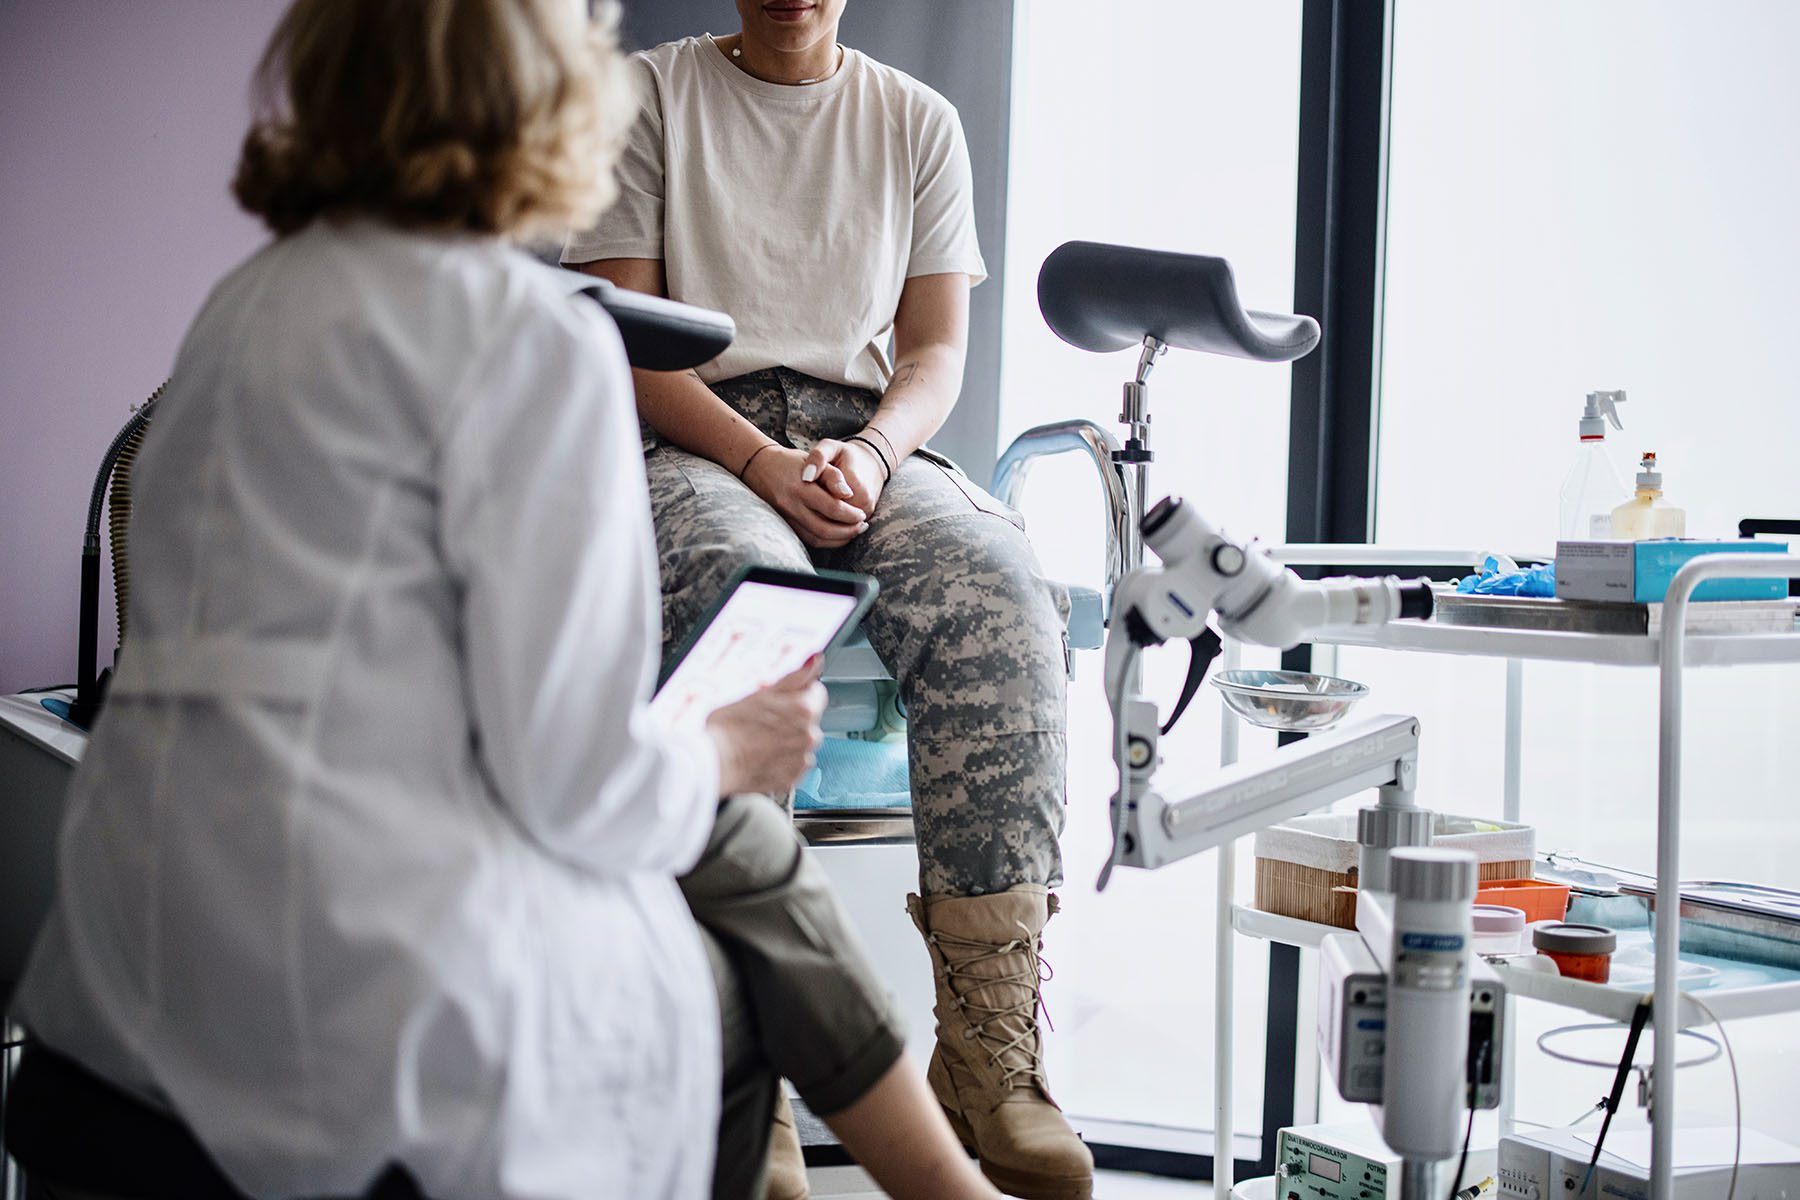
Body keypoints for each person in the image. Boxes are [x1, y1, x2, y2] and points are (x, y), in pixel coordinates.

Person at [9, 2, 1001, 1198]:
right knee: (731, 970)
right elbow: (580, 785)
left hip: (120, 989)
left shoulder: (241, 312)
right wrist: (728, 744)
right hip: (334, 1033)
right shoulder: (526, 343)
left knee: (736, 855)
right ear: (552, 92)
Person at [564, 4, 1091, 1198]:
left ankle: (989, 1053)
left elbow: (935, 354)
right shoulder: (649, 97)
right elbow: (633, 344)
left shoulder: (916, 120)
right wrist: (760, 464)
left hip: (865, 442)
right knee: (756, 596)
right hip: (700, 440)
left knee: (1004, 582)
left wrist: (878, 458)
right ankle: (744, 1072)